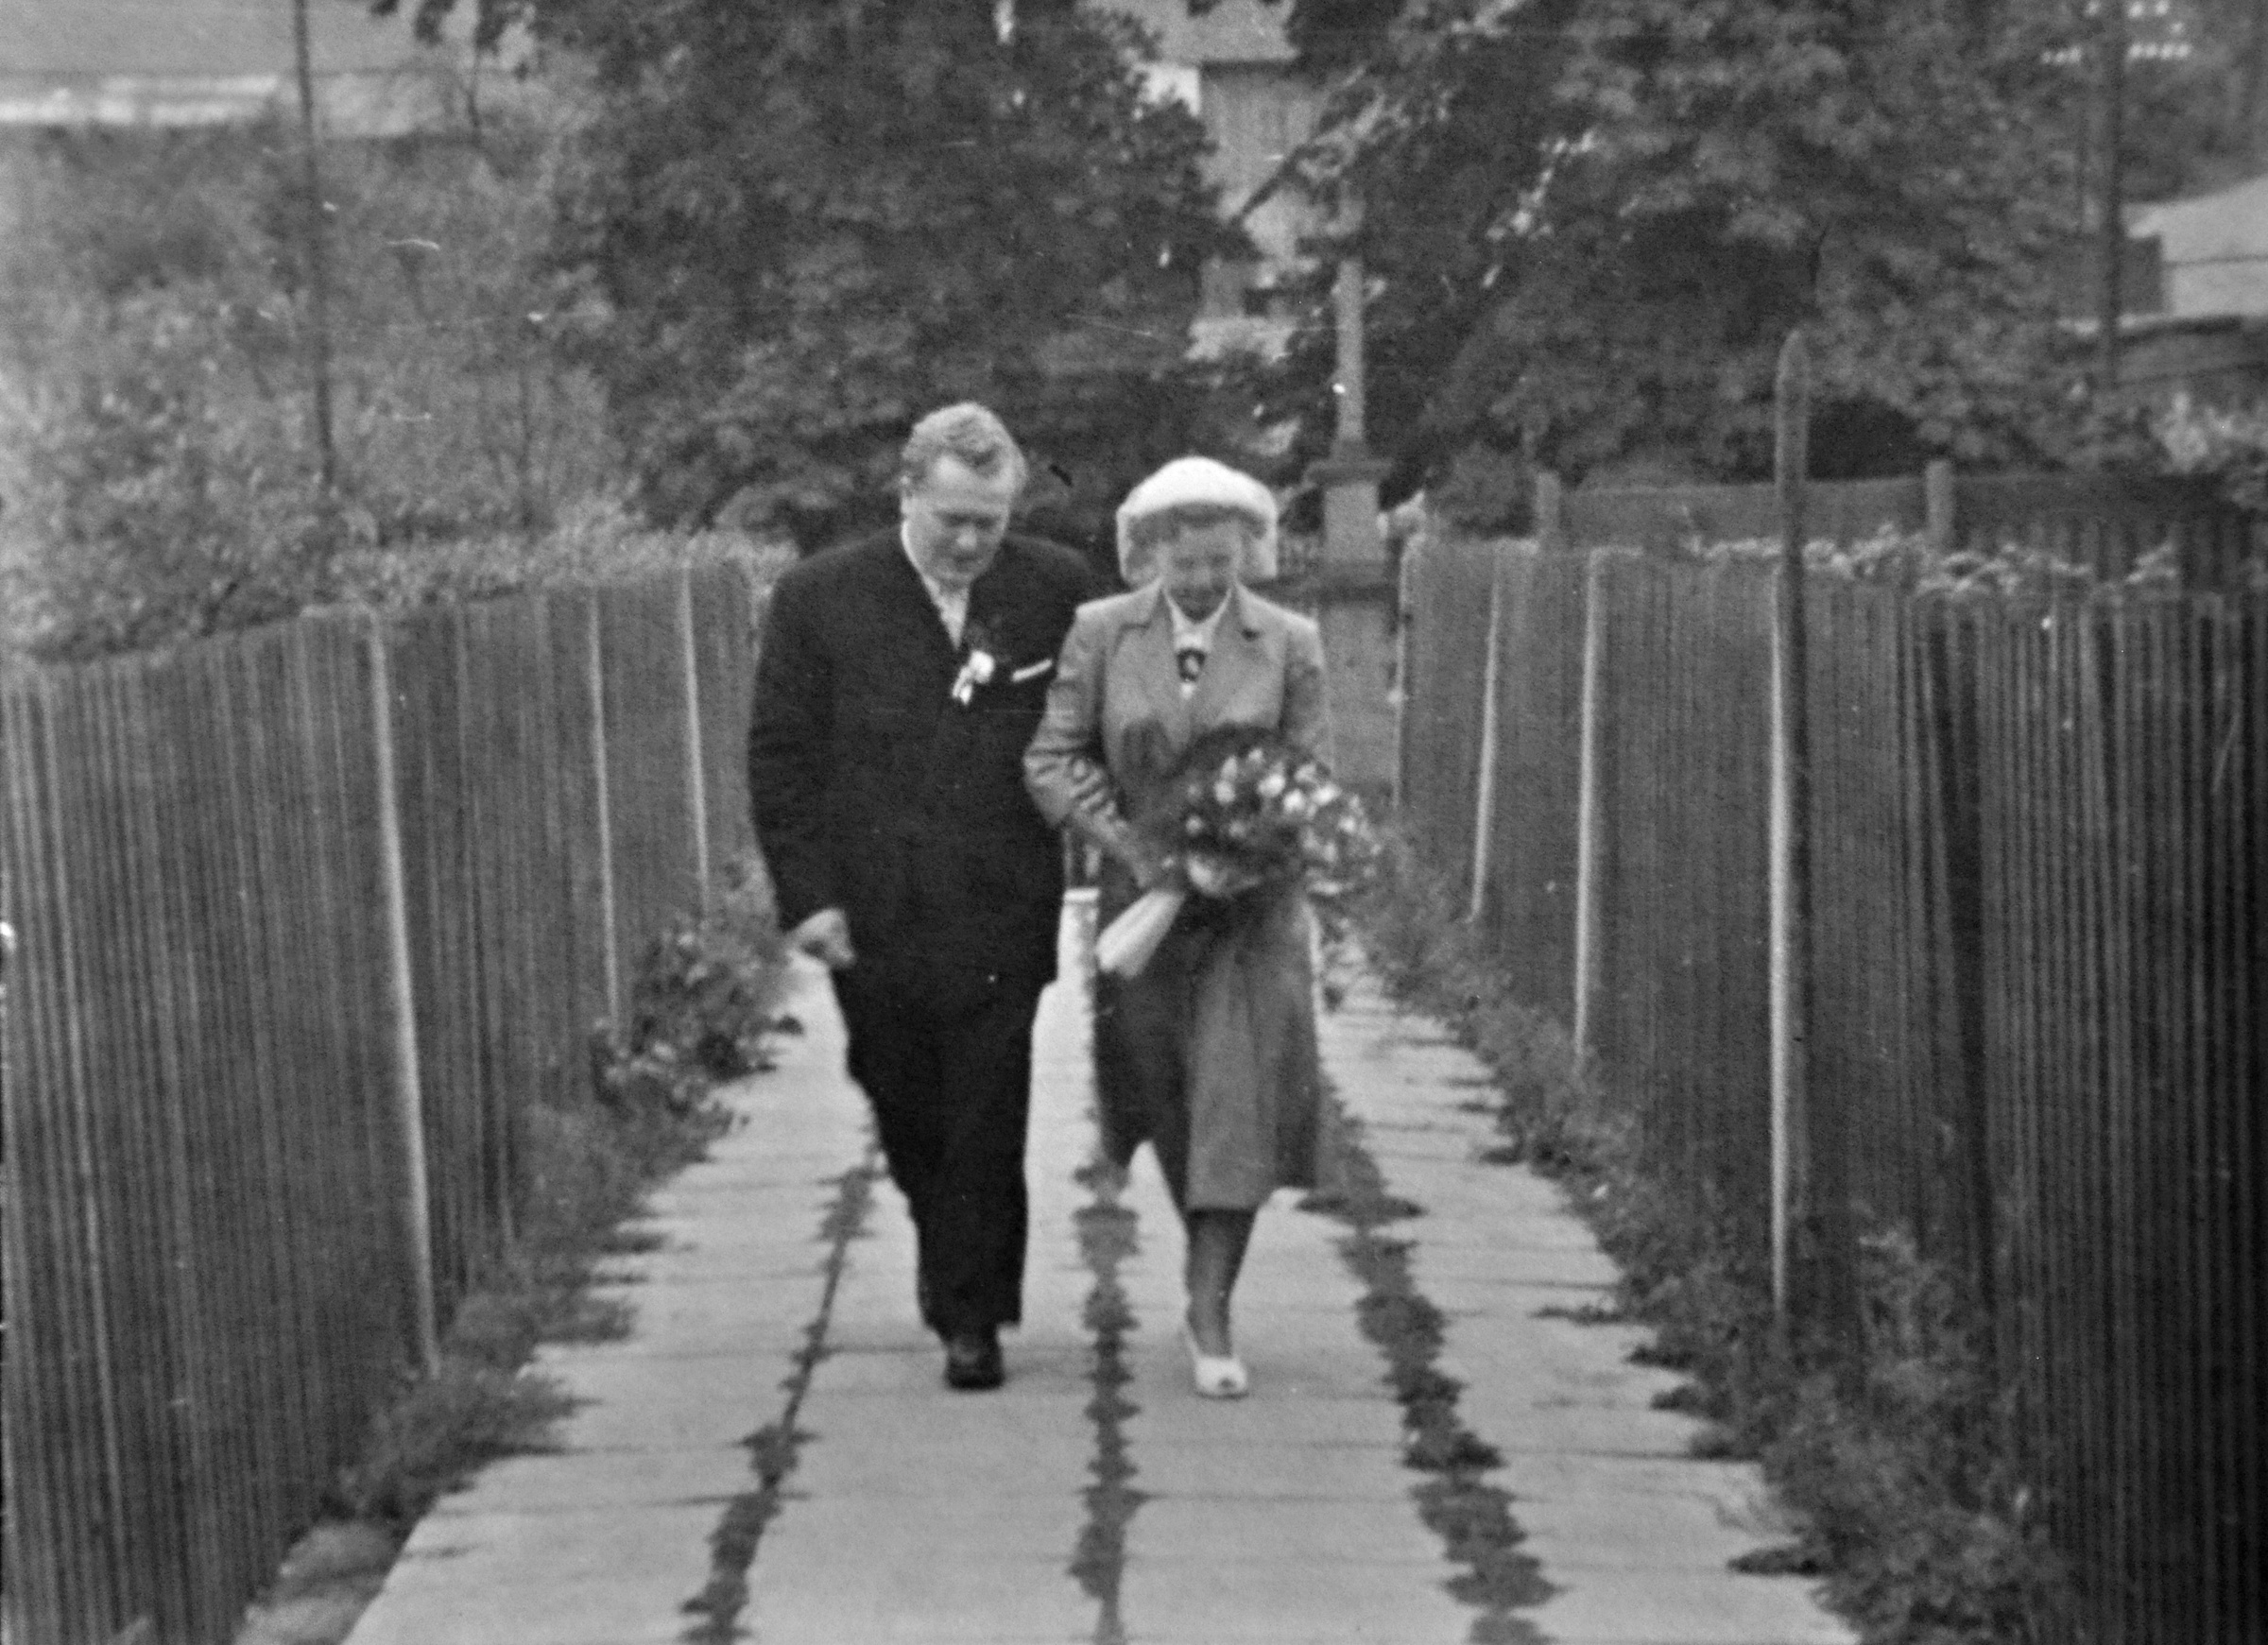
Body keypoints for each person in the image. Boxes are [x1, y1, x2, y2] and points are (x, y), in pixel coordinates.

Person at [747, 403, 1093, 1391]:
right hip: (876, 908)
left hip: (1001, 901)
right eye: (953, 521)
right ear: (906, 495)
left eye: (992, 520)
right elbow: (782, 757)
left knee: (987, 1106)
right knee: (903, 1099)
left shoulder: (1056, 588)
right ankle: (952, 1258)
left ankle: (972, 1317)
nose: (973, 543)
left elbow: (1106, 718)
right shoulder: (820, 598)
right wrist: (808, 897)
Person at [1023, 455, 1331, 1398]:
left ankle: (1210, 1302)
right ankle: (1203, 1266)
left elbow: (1309, 774)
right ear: (1149, 553)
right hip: (1143, 915)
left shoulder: (1288, 642)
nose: (1201, 581)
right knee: (1163, 1099)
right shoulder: (1101, 634)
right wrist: (1131, 846)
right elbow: (1052, 757)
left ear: (1247, 553)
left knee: (1237, 1101)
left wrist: (1242, 856)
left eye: (1219, 563)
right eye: (1184, 562)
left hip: (1247, 917)